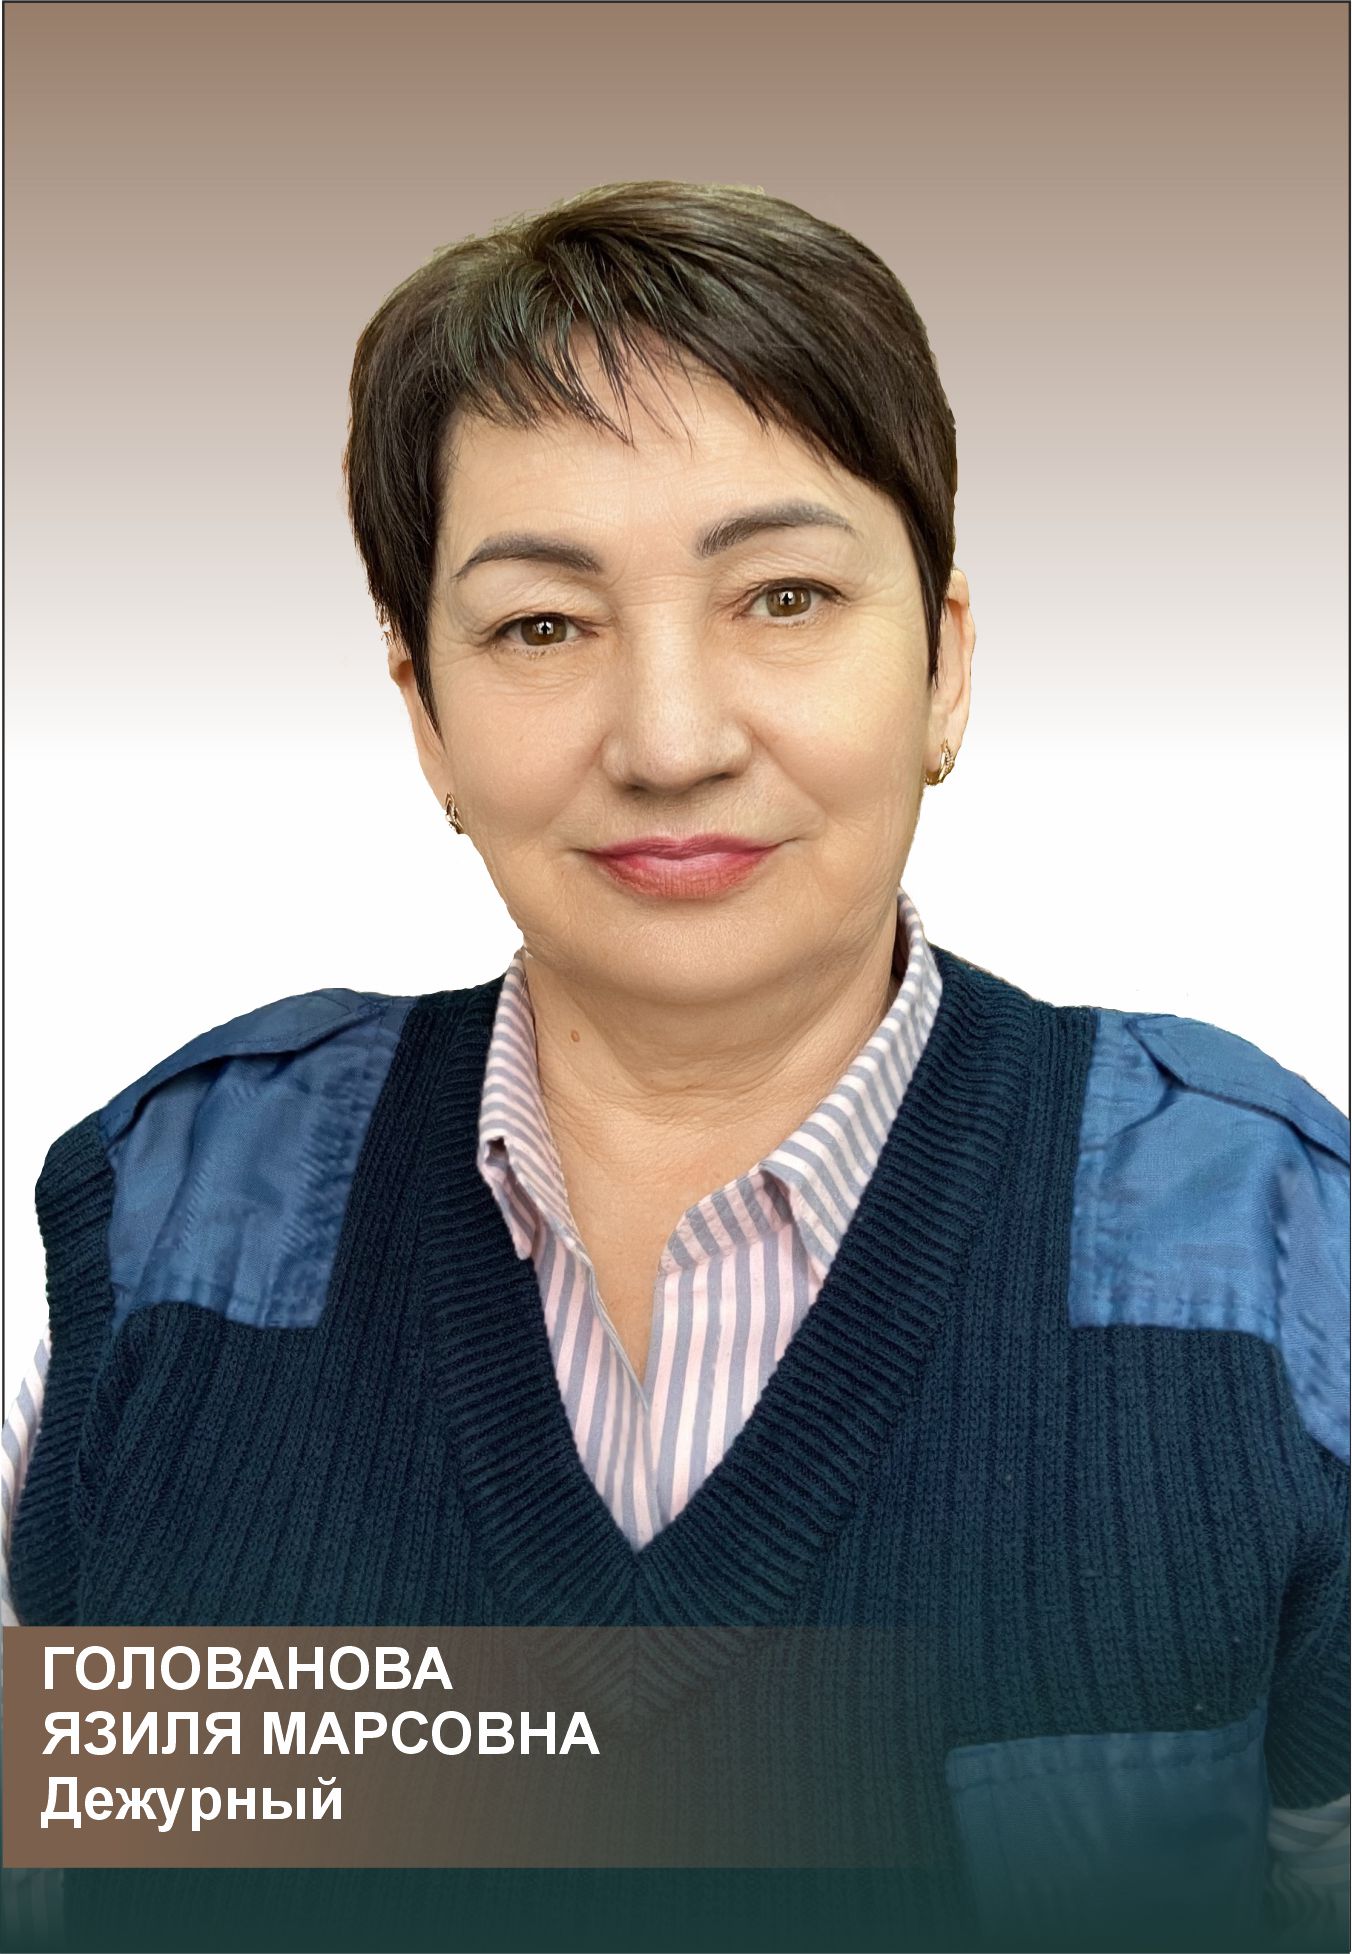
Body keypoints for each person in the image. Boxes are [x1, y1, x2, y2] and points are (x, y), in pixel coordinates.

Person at [2, 179, 1346, 1954]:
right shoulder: (168, 1236)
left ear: (946, 665)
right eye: (542, 626)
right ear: (424, 714)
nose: (669, 737)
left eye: (784, 595)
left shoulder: (1266, 1251)